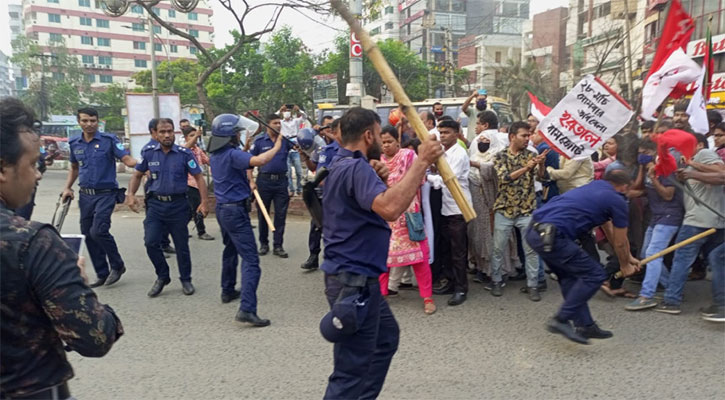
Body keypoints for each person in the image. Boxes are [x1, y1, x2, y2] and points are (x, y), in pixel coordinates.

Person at [0, 97, 124, 399]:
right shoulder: (34, 243)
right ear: (3, 169)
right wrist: (76, 285)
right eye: (31, 164)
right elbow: (94, 336)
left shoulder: (107, 142)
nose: (38, 174)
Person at [319, 107, 443, 399]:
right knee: (350, 371)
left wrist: (379, 178)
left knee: (385, 340)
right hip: (354, 281)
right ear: (367, 135)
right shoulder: (355, 167)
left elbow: (371, 200)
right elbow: (389, 208)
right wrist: (422, 161)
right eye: (377, 134)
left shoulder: (343, 161)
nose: (380, 139)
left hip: (359, 278)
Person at [526, 170, 641, 344]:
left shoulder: (595, 187)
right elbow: (620, 240)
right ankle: (560, 319)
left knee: (569, 278)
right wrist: (625, 266)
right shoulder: (617, 200)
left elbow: (609, 229)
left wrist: (628, 257)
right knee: (595, 275)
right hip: (554, 237)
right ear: (624, 187)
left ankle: (586, 325)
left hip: (535, 232)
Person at [207, 114, 285, 326]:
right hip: (235, 212)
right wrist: (278, 144)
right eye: (237, 132)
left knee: (230, 249)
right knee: (251, 260)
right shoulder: (232, 155)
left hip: (224, 210)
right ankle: (247, 309)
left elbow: (237, 161)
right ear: (230, 135)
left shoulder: (218, 154)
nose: (240, 135)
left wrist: (246, 146)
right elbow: (260, 160)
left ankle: (227, 289)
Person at [125, 118, 209, 297]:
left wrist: (204, 201)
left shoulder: (184, 153)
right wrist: (131, 195)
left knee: (181, 245)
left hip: (178, 205)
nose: (167, 135)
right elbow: (137, 174)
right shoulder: (148, 153)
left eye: (170, 131)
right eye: (162, 132)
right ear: (154, 134)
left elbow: (199, 177)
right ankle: (162, 276)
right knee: (151, 242)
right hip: (155, 205)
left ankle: (186, 279)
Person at [62, 107, 137, 288]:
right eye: (85, 120)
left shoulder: (109, 140)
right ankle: (102, 273)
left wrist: (143, 167)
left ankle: (117, 265)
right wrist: (67, 188)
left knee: (99, 231)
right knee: (87, 234)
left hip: (106, 194)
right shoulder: (75, 143)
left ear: (98, 121)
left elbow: (127, 159)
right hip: (85, 195)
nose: (89, 124)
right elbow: (74, 168)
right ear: (79, 121)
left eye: (93, 121)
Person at [657, 134, 725, 315]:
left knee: (682, 260)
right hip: (712, 220)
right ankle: (721, 304)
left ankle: (671, 301)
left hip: (698, 221)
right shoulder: (689, 161)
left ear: (699, 144)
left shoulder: (703, 154)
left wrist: (692, 169)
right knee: (718, 261)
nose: (680, 150)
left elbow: (722, 175)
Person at [378, 125, 436, 314]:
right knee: (382, 259)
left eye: (389, 141)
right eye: (383, 142)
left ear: (397, 141)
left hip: (409, 213)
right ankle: (381, 295)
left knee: (420, 259)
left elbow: (420, 179)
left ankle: (427, 297)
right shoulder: (377, 161)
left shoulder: (408, 157)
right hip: (387, 215)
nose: (386, 146)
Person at [488, 121, 548, 300]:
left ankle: (533, 285)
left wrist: (541, 165)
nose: (527, 139)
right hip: (504, 209)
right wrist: (527, 167)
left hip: (527, 208)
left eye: (529, 135)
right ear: (512, 137)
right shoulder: (499, 157)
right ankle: (497, 280)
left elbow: (541, 178)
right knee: (498, 248)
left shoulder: (532, 154)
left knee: (530, 249)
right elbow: (505, 178)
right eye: (524, 135)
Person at [625, 139, 684, 311]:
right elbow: (638, 187)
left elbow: (668, 195)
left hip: (669, 216)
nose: (641, 156)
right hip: (656, 216)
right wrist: (644, 171)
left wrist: (654, 178)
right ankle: (672, 288)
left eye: (645, 152)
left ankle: (646, 295)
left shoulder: (666, 169)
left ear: (654, 153)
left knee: (652, 254)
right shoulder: (648, 168)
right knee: (645, 254)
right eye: (640, 153)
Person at [426, 119, 472, 305]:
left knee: (458, 251)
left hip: (458, 208)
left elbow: (446, 179)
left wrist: (425, 175)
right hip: (446, 207)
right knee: (447, 248)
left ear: (456, 133)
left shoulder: (459, 153)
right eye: (440, 132)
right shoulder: (444, 152)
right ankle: (451, 282)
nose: (442, 135)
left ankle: (461, 288)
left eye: (446, 132)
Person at [250, 113, 295, 258]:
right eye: (275, 123)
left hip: (281, 182)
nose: (278, 125)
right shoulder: (259, 141)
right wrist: (251, 180)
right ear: (267, 125)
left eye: (279, 123)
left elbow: (298, 148)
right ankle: (264, 243)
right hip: (264, 181)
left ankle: (278, 245)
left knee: (280, 215)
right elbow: (249, 163)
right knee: (263, 214)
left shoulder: (285, 141)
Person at [300, 118, 341, 270]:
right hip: (324, 195)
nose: (327, 129)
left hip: (339, 196)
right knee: (316, 225)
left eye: (331, 127)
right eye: (325, 126)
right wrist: (305, 157)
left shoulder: (344, 149)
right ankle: (314, 255)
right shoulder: (323, 149)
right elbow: (315, 169)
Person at [182, 126, 214, 240]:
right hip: (188, 184)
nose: (195, 138)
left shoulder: (198, 150)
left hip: (198, 183)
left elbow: (209, 161)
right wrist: (196, 135)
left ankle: (180, 229)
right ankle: (201, 232)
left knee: (192, 209)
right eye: (191, 136)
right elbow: (185, 148)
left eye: (195, 135)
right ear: (186, 138)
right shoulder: (183, 150)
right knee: (195, 208)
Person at [279, 104, 307, 196]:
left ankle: (299, 189)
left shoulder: (295, 121)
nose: (286, 112)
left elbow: (304, 117)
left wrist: (299, 110)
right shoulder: (280, 122)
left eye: (288, 111)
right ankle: (291, 189)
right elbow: (272, 119)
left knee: (299, 172)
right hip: (285, 148)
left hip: (295, 148)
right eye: (285, 111)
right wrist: (279, 110)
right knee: (288, 172)